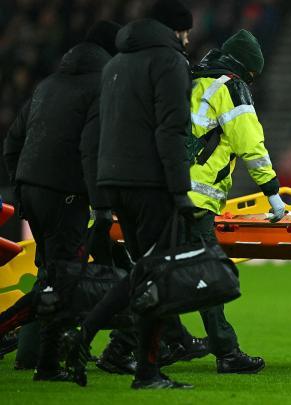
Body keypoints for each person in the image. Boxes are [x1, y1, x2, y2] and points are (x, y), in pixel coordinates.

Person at [2, 21, 122, 382]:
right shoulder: (101, 86)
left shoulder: (49, 84)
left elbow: (13, 140)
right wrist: (101, 204)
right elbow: (90, 148)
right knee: (64, 280)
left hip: (33, 190)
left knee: (50, 275)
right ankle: (48, 364)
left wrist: (22, 185)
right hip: (65, 195)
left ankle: (33, 354)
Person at [89, 0, 196, 389]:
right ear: (174, 30)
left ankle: (90, 339)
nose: (188, 41)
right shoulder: (169, 61)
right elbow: (171, 129)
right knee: (157, 278)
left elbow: (103, 127)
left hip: (113, 180)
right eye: (185, 32)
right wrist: (180, 191)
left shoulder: (116, 63)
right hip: (150, 183)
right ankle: (145, 370)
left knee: (141, 273)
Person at [184, 29, 286, 374]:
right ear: (247, 69)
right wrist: (272, 193)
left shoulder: (192, 81)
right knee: (209, 274)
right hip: (196, 199)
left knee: (157, 270)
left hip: (165, 191)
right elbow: (250, 144)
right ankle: (226, 352)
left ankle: (146, 342)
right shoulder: (231, 87)